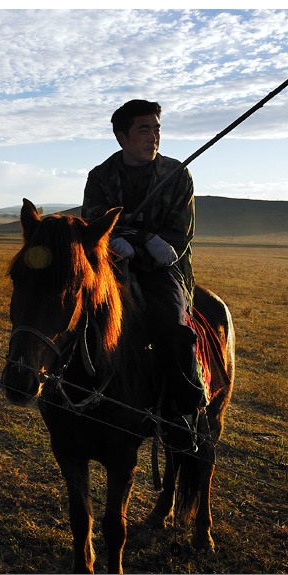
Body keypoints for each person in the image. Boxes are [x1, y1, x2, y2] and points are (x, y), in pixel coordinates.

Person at [81, 99, 206, 423]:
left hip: (162, 267)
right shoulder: (100, 177)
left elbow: (179, 235)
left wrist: (142, 241)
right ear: (122, 137)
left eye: (156, 129)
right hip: (111, 264)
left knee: (170, 323)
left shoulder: (177, 175)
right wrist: (121, 241)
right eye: (144, 130)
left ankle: (185, 411)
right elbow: (94, 223)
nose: (153, 137)